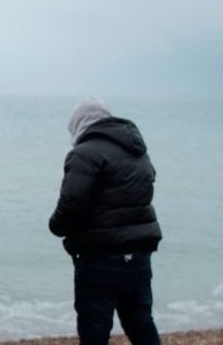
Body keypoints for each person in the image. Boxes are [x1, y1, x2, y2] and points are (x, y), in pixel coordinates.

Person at [49, 96, 161, 345]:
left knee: (94, 331)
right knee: (141, 323)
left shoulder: (84, 153)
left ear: (79, 124)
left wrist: (56, 226)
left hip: (100, 258)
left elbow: (71, 203)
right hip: (139, 256)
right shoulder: (138, 152)